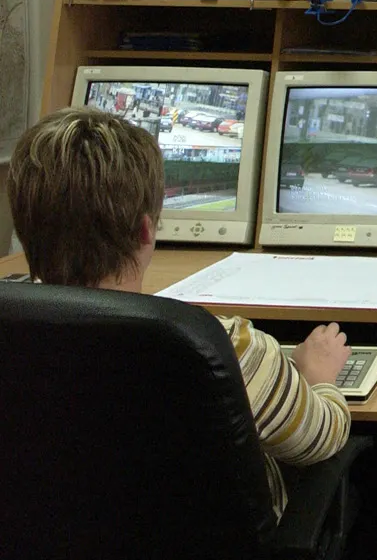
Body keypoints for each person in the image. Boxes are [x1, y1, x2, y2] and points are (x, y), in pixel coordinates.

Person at [6, 107, 352, 520]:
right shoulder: (222, 346)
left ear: (24, 229)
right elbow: (321, 439)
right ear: (145, 230)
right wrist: (319, 378)